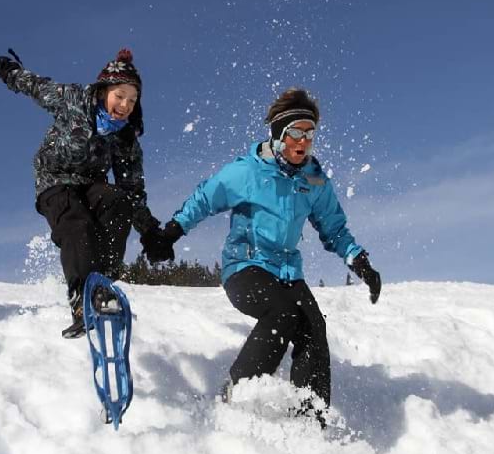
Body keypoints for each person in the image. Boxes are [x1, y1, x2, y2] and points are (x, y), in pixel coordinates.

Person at [142, 88, 381, 424]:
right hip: (245, 267)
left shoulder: (313, 179)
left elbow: (334, 229)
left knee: (313, 328)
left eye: (309, 135)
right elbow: (204, 199)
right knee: (282, 313)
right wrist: (171, 233)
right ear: (278, 134)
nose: (303, 142)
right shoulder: (247, 172)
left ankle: (309, 418)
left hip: (288, 273)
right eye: (296, 133)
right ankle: (237, 392)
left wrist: (360, 261)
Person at [0, 48, 162, 339]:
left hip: (91, 183)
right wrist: (10, 73)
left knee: (118, 202)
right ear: (104, 90)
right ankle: (83, 298)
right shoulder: (74, 99)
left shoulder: (125, 138)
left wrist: (149, 231)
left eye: (132, 100)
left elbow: (132, 190)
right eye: (119, 96)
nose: (124, 105)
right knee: (77, 223)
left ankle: (101, 287)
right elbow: (37, 86)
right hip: (53, 179)